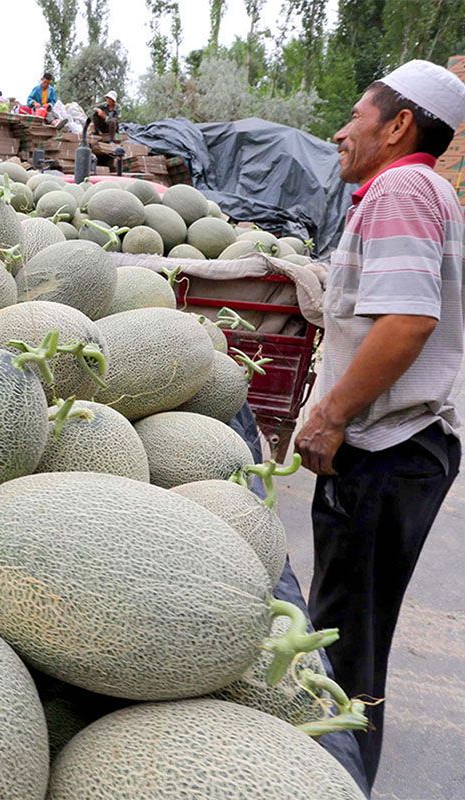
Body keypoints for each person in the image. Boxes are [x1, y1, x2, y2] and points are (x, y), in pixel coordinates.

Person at [294, 59, 465, 789]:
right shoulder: (422, 189)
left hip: (389, 451)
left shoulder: (401, 187)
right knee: (354, 644)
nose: (339, 131)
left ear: (398, 126)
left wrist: (330, 415)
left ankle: (340, 781)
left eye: (355, 115)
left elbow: (407, 323)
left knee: (347, 652)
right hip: (405, 450)